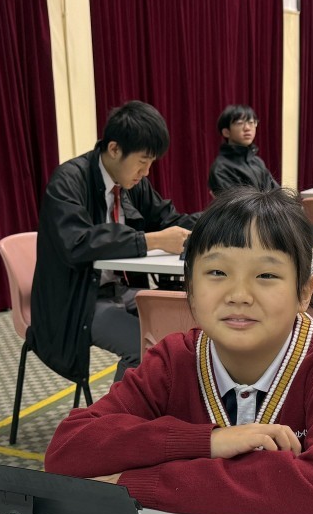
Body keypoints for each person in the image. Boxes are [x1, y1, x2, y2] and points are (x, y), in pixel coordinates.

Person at [44, 187, 313, 514]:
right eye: (217, 272)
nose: (239, 295)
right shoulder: (174, 360)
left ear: (304, 292)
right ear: (190, 287)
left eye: (266, 275)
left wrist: (135, 484)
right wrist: (207, 441)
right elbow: (67, 450)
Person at [32, 101, 197, 385]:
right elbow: (77, 243)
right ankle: (119, 412)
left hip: (120, 290)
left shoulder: (131, 182)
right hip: (77, 300)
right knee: (143, 347)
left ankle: (163, 403)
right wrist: (150, 241)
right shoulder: (68, 181)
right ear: (114, 149)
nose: (146, 172)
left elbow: (168, 219)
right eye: (142, 161)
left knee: (186, 322)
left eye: (151, 163)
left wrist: (215, 222)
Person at [208, 104, 278, 195]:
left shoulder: (257, 162)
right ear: (226, 132)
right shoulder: (221, 168)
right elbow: (238, 203)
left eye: (251, 122)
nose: (247, 128)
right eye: (240, 123)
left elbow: (277, 193)